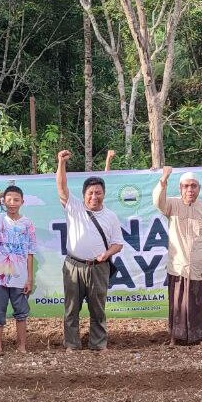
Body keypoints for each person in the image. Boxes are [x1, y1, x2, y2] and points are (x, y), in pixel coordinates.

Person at [55, 150, 123, 351]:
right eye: (90, 193)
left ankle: (98, 344)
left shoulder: (110, 216)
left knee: (98, 310)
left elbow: (118, 244)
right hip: (73, 265)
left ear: (104, 194)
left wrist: (107, 254)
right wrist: (61, 163)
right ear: (84, 195)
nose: (94, 196)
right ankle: (72, 345)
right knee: (71, 309)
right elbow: (61, 186)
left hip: (98, 268)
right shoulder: (74, 206)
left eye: (98, 192)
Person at [154, 166, 202, 345]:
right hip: (179, 266)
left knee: (200, 304)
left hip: (200, 267)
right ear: (180, 188)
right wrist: (164, 179)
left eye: (193, 186)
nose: (190, 190)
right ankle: (175, 337)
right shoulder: (172, 205)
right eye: (186, 186)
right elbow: (157, 202)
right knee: (177, 304)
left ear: (199, 188)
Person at [0, 185, 37, 354]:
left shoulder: (28, 224)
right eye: (8, 199)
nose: (12, 203)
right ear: (3, 201)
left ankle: (22, 346)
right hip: (0, 276)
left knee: (21, 313)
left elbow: (30, 253)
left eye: (16, 200)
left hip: (20, 277)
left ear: (22, 202)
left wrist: (29, 278)